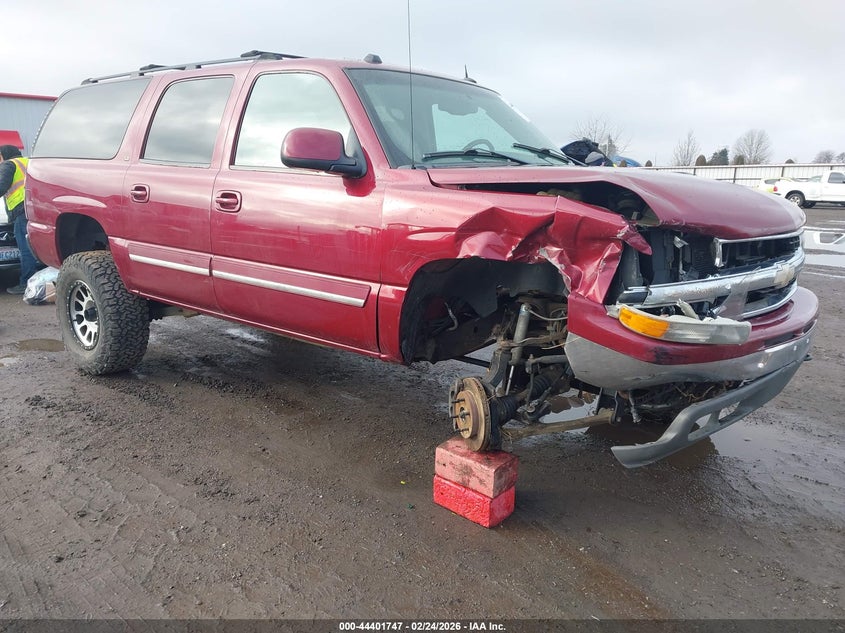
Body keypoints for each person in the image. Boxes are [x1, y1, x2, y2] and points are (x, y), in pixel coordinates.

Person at [0, 144, 38, 294]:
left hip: (21, 211)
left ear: (4, 155)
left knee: (26, 249)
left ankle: (26, 282)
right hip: (37, 208)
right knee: (36, 245)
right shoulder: (30, 162)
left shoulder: (9, 165)